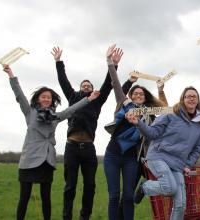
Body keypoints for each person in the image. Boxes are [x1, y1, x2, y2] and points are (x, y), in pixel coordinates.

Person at [2, 65, 99, 220]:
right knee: (24, 198)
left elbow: (71, 110)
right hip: (29, 160)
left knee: (46, 198)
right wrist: (11, 75)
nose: (46, 99)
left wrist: (89, 99)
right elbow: (19, 95)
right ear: (38, 98)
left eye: (49, 97)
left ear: (52, 100)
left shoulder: (55, 116)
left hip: (47, 160)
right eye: (43, 96)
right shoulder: (30, 112)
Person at [51, 46, 121, 220]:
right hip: (72, 148)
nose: (86, 87)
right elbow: (63, 81)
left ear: (92, 89)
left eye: (89, 86)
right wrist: (58, 62)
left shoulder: (97, 100)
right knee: (70, 186)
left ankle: (85, 217)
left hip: (89, 149)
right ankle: (67, 217)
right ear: (80, 89)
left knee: (90, 186)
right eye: (84, 85)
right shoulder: (73, 97)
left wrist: (113, 64)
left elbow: (108, 85)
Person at [103, 45, 167, 220]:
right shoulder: (123, 104)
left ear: (145, 98)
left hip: (132, 158)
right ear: (130, 95)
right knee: (114, 195)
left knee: (129, 197)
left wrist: (161, 89)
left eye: (142, 94)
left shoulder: (148, 114)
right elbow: (115, 83)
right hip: (113, 155)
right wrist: (110, 62)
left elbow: (166, 110)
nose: (138, 95)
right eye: (135, 93)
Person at [126, 86, 200, 220]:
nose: (191, 98)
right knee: (170, 188)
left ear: (198, 100)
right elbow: (152, 133)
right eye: (188, 96)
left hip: (178, 164)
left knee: (181, 204)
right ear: (183, 99)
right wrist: (138, 123)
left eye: (194, 96)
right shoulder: (170, 114)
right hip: (158, 156)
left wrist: (188, 164)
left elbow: (198, 148)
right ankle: (144, 187)